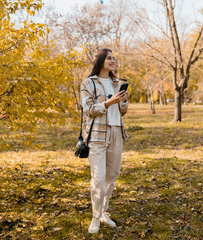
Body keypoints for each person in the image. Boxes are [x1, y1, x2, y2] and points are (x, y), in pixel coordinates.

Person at [80, 48, 129, 234]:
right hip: (98, 134)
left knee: (112, 175)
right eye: (109, 58)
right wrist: (109, 103)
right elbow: (89, 110)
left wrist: (123, 101)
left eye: (114, 58)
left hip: (116, 131)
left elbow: (123, 111)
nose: (113, 60)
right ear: (100, 60)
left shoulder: (117, 82)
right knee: (98, 178)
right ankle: (94, 218)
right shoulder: (88, 83)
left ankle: (103, 212)